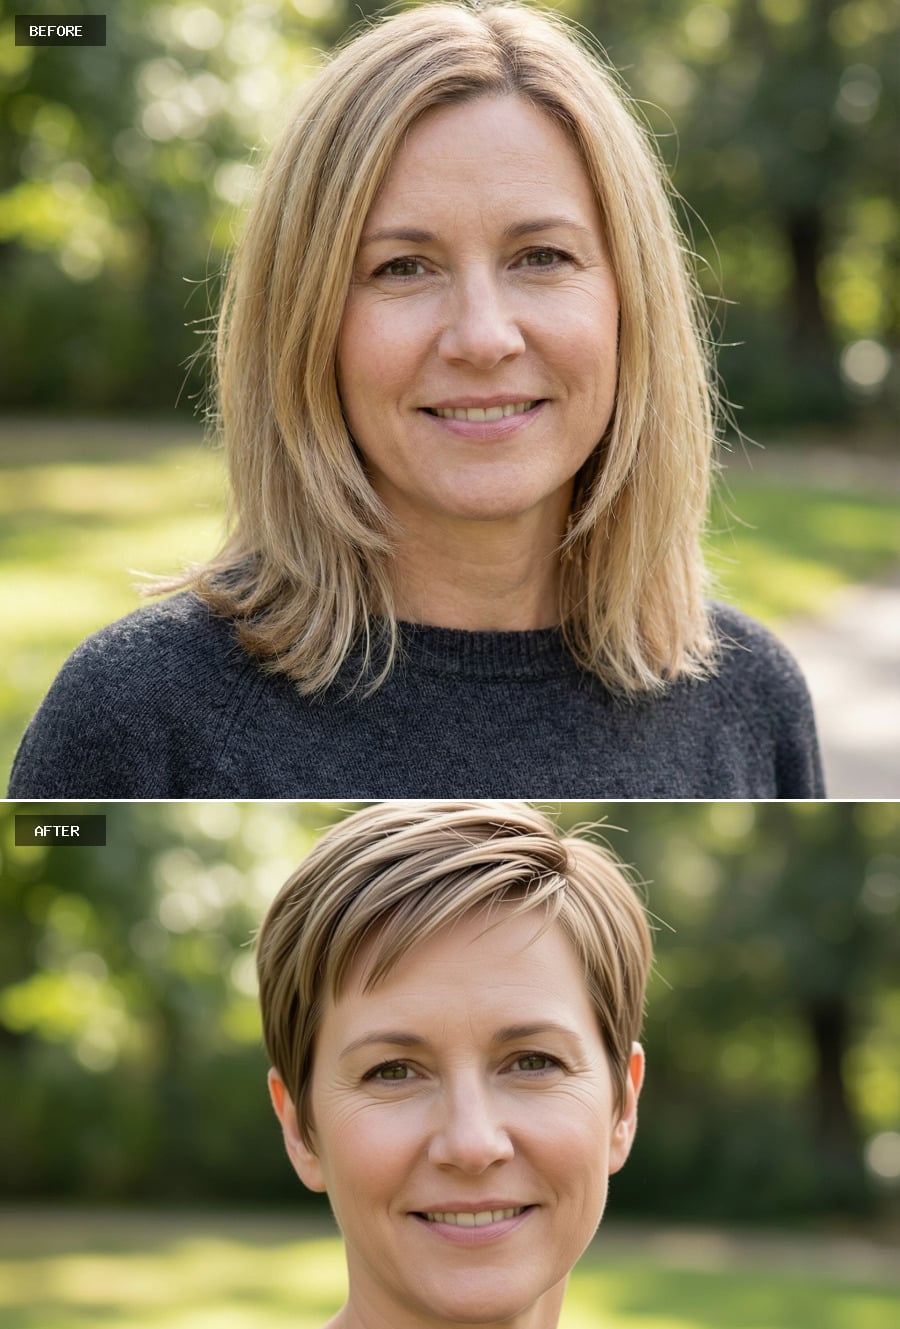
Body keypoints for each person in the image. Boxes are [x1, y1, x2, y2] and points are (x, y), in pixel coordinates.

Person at [8, 2, 822, 800]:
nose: (482, 336)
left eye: (540, 256)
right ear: (304, 322)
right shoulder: (138, 718)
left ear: (629, 302)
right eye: (402, 267)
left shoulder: (752, 702)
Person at [13, 800, 816, 1329]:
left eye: (531, 1060)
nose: (471, 1143)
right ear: (300, 1128)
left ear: (622, 1107)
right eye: (393, 1071)